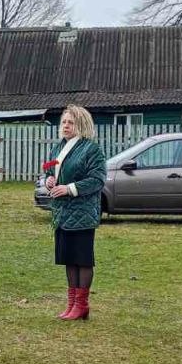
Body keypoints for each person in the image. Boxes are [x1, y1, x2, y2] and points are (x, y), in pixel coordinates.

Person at [45, 105, 107, 321]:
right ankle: (72, 304)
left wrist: (70, 189)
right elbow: (49, 170)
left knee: (82, 259)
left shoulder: (91, 149)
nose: (66, 126)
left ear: (81, 124)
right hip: (62, 213)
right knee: (69, 259)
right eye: (64, 122)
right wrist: (49, 180)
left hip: (82, 213)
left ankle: (82, 305)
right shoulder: (58, 148)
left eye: (70, 122)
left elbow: (97, 179)